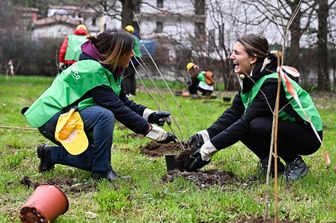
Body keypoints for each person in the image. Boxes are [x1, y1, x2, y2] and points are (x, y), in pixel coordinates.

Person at [23, 29, 176, 181]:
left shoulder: (110, 70)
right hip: (51, 119)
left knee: (93, 160)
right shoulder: (92, 70)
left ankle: (49, 154)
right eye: (129, 51)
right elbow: (117, 107)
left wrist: (152, 115)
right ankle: (102, 172)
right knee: (105, 115)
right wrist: (152, 132)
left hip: (69, 118)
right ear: (116, 52)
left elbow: (123, 101)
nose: (133, 55)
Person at [185, 34, 323, 181]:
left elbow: (245, 122)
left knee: (255, 124)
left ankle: (295, 164)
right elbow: (234, 113)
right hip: (284, 128)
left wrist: (207, 150)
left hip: (308, 135)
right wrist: (205, 135)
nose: (231, 57)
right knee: (243, 123)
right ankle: (272, 165)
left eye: (237, 53)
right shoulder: (251, 78)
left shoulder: (271, 82)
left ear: (252, 58)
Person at [122, 25, 141, 97]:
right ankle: (133, 92)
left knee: (126, 75)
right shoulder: (136, 38)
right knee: (132, 76)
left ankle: (127, 92)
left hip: (131, 59)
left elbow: (129, 49)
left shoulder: (129, 38)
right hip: (137, 58)